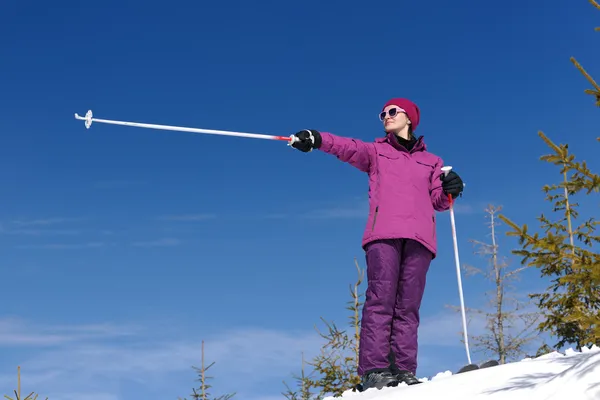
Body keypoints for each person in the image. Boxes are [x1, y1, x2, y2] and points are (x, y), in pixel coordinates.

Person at [289, 98, 464, 391]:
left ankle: (404, 369)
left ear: (410, 118)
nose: (385, 116)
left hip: (420, 238)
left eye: (392, 111)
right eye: (382, 113)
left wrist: (451, 188)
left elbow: (439, 202)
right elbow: (346, 147)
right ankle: (375, 369)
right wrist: (317, 139)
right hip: (384, 234)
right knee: (381, 300)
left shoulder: (431, 161)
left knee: (408, 307)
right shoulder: (376, 152)